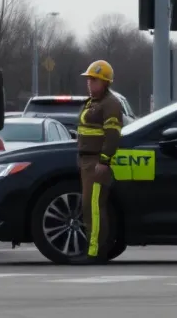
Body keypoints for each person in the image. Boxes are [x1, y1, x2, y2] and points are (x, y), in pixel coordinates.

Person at [74, 59, 124, 264]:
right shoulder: (92, 102)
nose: (89, 84)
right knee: (89, 207)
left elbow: (112, 135)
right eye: (88, 80)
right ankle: (94, 249)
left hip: (96, 162)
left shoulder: (110, 104)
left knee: (92, 207)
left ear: (105, 82)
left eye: (93, 80)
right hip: (86, 161)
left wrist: (104, 161)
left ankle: (94, 252)